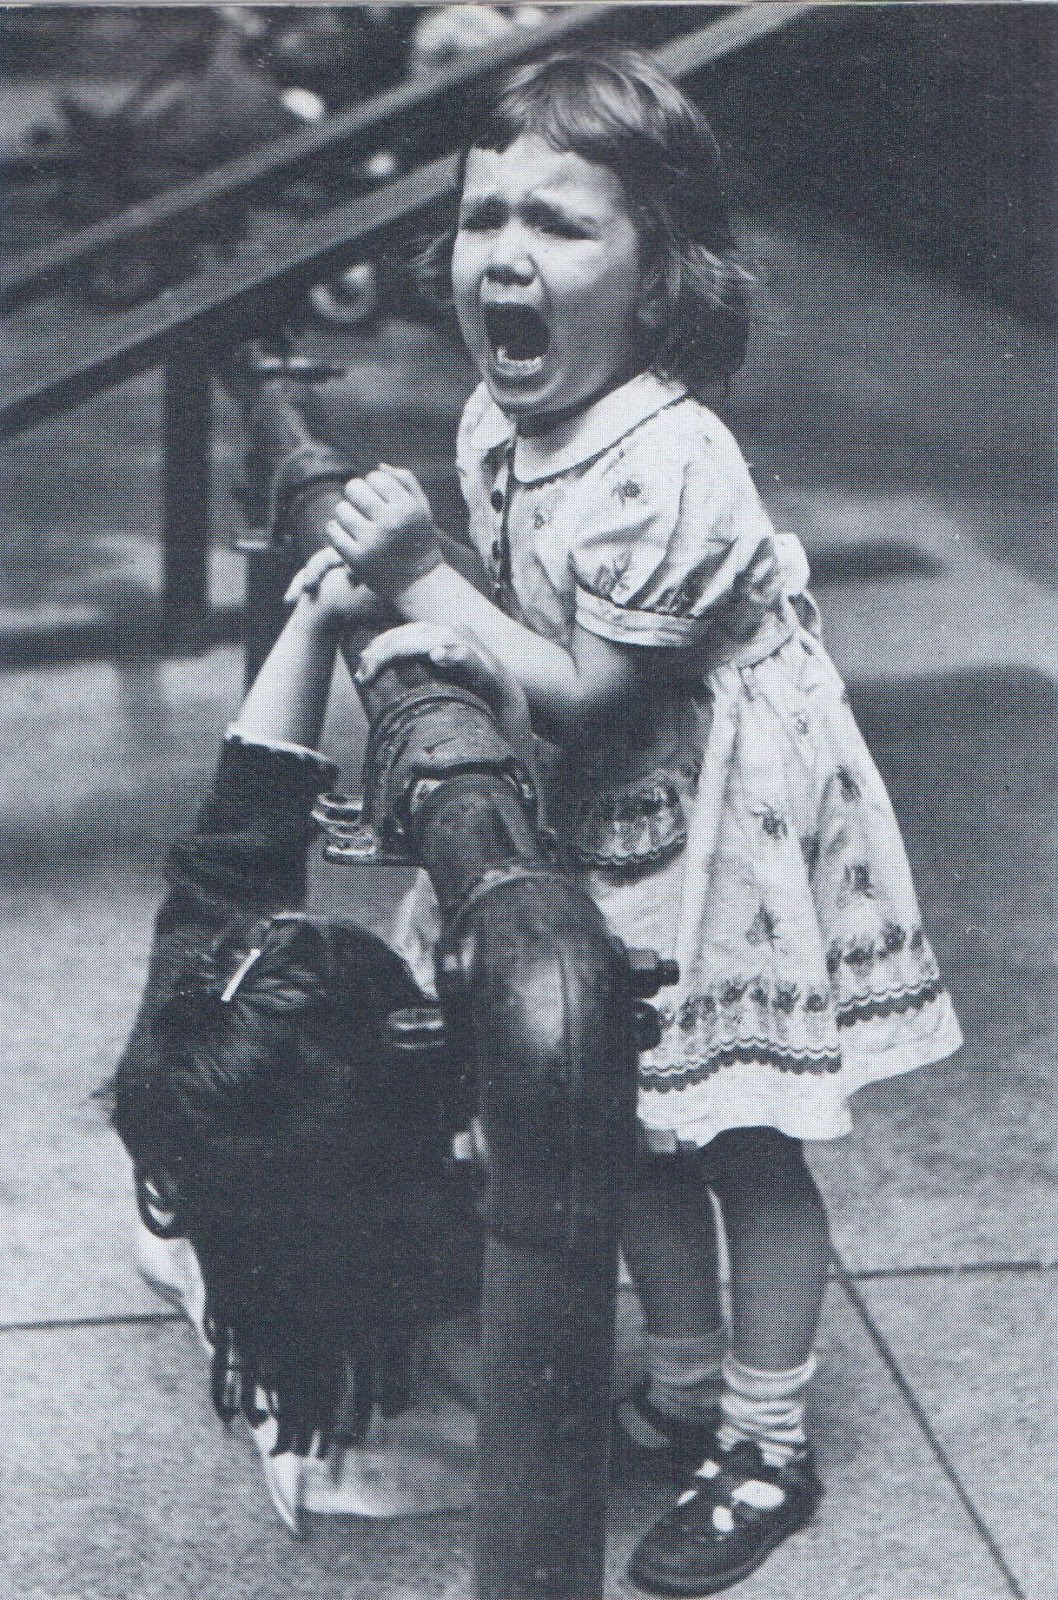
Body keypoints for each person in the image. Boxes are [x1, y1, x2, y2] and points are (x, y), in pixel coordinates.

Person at [308, 47, 963, 1596]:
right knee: (624, 1117)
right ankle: (679, 1383)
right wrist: (439, 621)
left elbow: (592, 686)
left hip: (722, 812)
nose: (507, 257)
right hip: (624, 810)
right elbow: (520, 622)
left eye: (562, 223)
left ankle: (766, 1442)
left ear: (663, 274)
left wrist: (415, 584)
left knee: (742, 1133)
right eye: (482, 220)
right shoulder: (500, 413)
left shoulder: (670, 460)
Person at [107, 566, 486, 1532]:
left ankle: (200, 1274)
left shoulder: (185, 1036)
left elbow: (246, 811)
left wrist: (315, 620)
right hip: (328, 1271)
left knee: (253, 1254)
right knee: (376, 1365)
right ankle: (317, 1421)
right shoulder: (425, 1193)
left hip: (225, 1206)